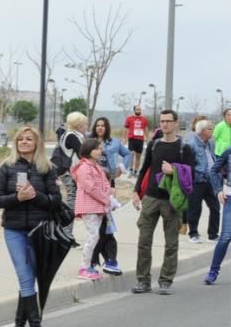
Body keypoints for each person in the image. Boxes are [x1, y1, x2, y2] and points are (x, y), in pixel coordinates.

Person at [0, 125, 62, 327]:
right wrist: (17, 198)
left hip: (38, 231)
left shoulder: (47, 168)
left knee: (30, 279)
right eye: (20, 139)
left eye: (28, 139)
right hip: (13, 229)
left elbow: (55, 200)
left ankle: (19, 324)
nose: (24, 142)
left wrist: (35, 196)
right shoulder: (6, 167)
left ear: (37, 143)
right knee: (24, 276)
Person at [131, 109, 195, 295]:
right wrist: (136, 192)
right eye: (162, 121)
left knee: (171, 243)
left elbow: (191, 174)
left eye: (168, 121)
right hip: (151, 197)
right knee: (144, 241)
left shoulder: (185, 148)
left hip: (172, 201)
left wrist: (173, 170)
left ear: (176, 123)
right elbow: (144, 169)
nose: (164, 124)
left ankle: (166, 280)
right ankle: (143, 281)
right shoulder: (154, 145)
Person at [90, 117, 127, 275]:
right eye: (97, 125)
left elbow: (127, 154)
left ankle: (106, 260)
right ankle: (102, 260)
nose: (100, 128)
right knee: (101, 227)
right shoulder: (88, 142)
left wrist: (121, 168)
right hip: (92, 186)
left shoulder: (114, 143)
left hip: (107, 184)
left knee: (106, 224)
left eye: (103, 125)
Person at [72, 138, 111, 281]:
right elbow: (90, 188)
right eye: (97, 149)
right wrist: (105, 199)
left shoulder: (97, 167)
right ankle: (83, 267)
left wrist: (107, 196)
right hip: (88, 207)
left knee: (96, 236)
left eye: (101, 148)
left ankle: (88, 266)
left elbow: (106, 183)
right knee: (93, 236)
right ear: (89, 150)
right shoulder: (83, 168)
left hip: (99, 206)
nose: (100, 151)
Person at [52, 112, 87, 237]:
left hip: (67, 171)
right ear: (78, 124)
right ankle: (67, 234)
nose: (86, 126)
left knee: (73, 201)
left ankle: (65, 232)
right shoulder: (72, 136)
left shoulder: (69, 135)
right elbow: (83, 153)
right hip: (70, 172)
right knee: (72, 202)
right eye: (84, 124)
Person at [186, 119, 220, 243]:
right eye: (210, 128)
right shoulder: (191, 145)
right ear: (202, 131)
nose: (212, 130)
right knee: (195, 208)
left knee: (215, 207)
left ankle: (213, 234)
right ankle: (193, 233)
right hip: (197, 181)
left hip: (210, 181)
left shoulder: (210, 143)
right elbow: (188, 166)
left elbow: (213, 159)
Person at [204, 147, 231, 285]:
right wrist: (218, 190)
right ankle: (213, 271)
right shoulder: (229, 151)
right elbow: (213, 170)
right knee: (226, 236)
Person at [122, 104, 151, 176]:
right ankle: (131, 170)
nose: (139, 111)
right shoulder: (129, 118)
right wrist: (124, 138)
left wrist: (147, 137)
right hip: (132, 138)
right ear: (134, 110)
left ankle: (136, 170)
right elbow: (126, 129)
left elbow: (146, 129)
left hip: (140, 139)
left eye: (140, 109)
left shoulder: (144, 119)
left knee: (138, 156)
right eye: (137, 109)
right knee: (131, 154)